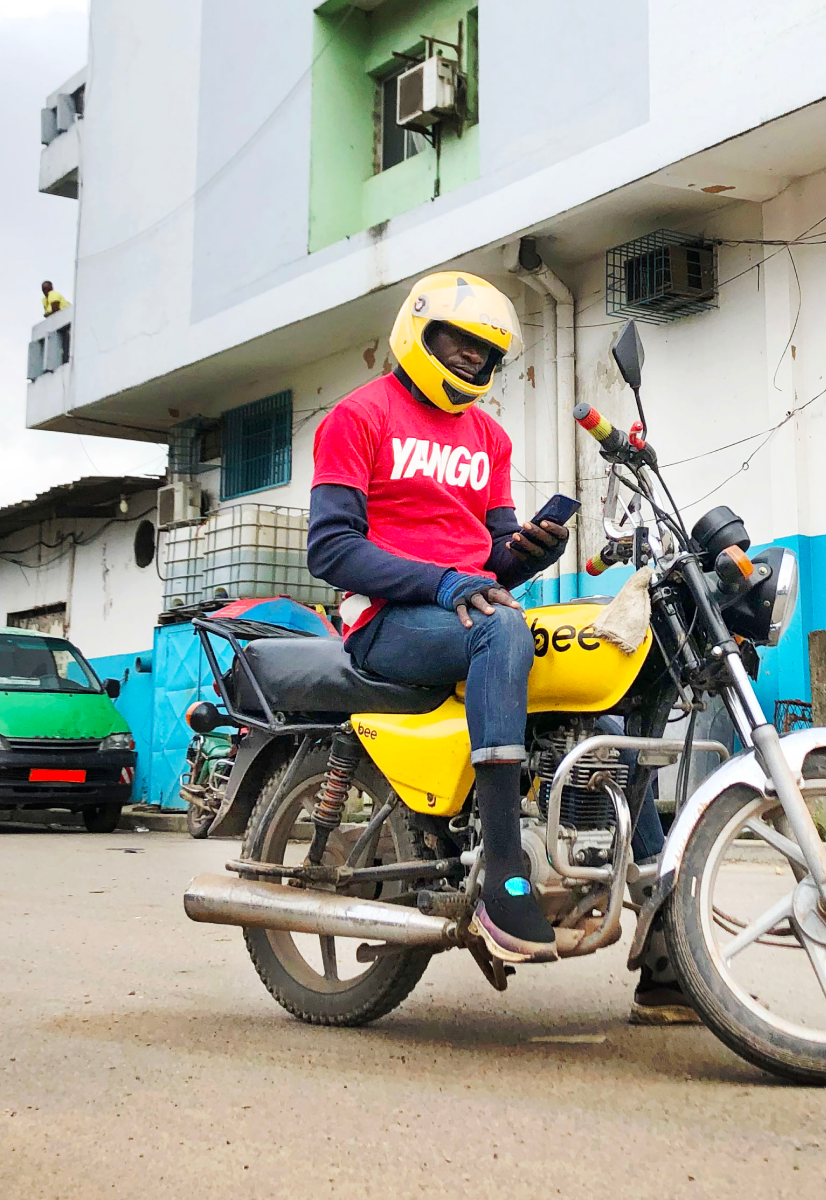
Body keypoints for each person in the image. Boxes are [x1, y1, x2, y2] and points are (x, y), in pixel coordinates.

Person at [308, 270, 697, 1023]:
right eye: (457, 343)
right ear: (418, 333)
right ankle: (503, 874)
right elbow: (330, 549)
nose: (470, 362)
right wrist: (449, 584)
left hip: (471, 618)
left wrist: (529, 553)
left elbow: (491, 565)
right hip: (385, 621)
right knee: (501, 624)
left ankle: (665, 952)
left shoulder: (488, 436)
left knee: (612, 730)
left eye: (485, 352)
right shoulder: (358, 417)